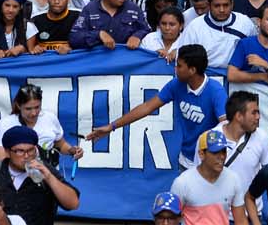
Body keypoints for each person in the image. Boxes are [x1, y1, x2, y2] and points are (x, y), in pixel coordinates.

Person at [88, 45, 224, 169]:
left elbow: (226, 125)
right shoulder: (176, 85)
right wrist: (112, 126)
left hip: (211, 163)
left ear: (192, 70)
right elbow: (147, 107)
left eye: (179, 66)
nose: (175, 69)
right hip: (186, 160)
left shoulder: (215, 91)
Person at [0, 125, 79, 225]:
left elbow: (73, 203)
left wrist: (49, 177)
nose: (26, 156)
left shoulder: (45, 170)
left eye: (30, 150)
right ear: (7, 152)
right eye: (20, 151)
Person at [170, 130, 249, 225]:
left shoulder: (233, 179)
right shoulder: (182, 183)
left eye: (224, 151)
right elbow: (171, 221)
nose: (221, 157)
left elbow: (241, 221)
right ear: (201, 154)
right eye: (215, 152)